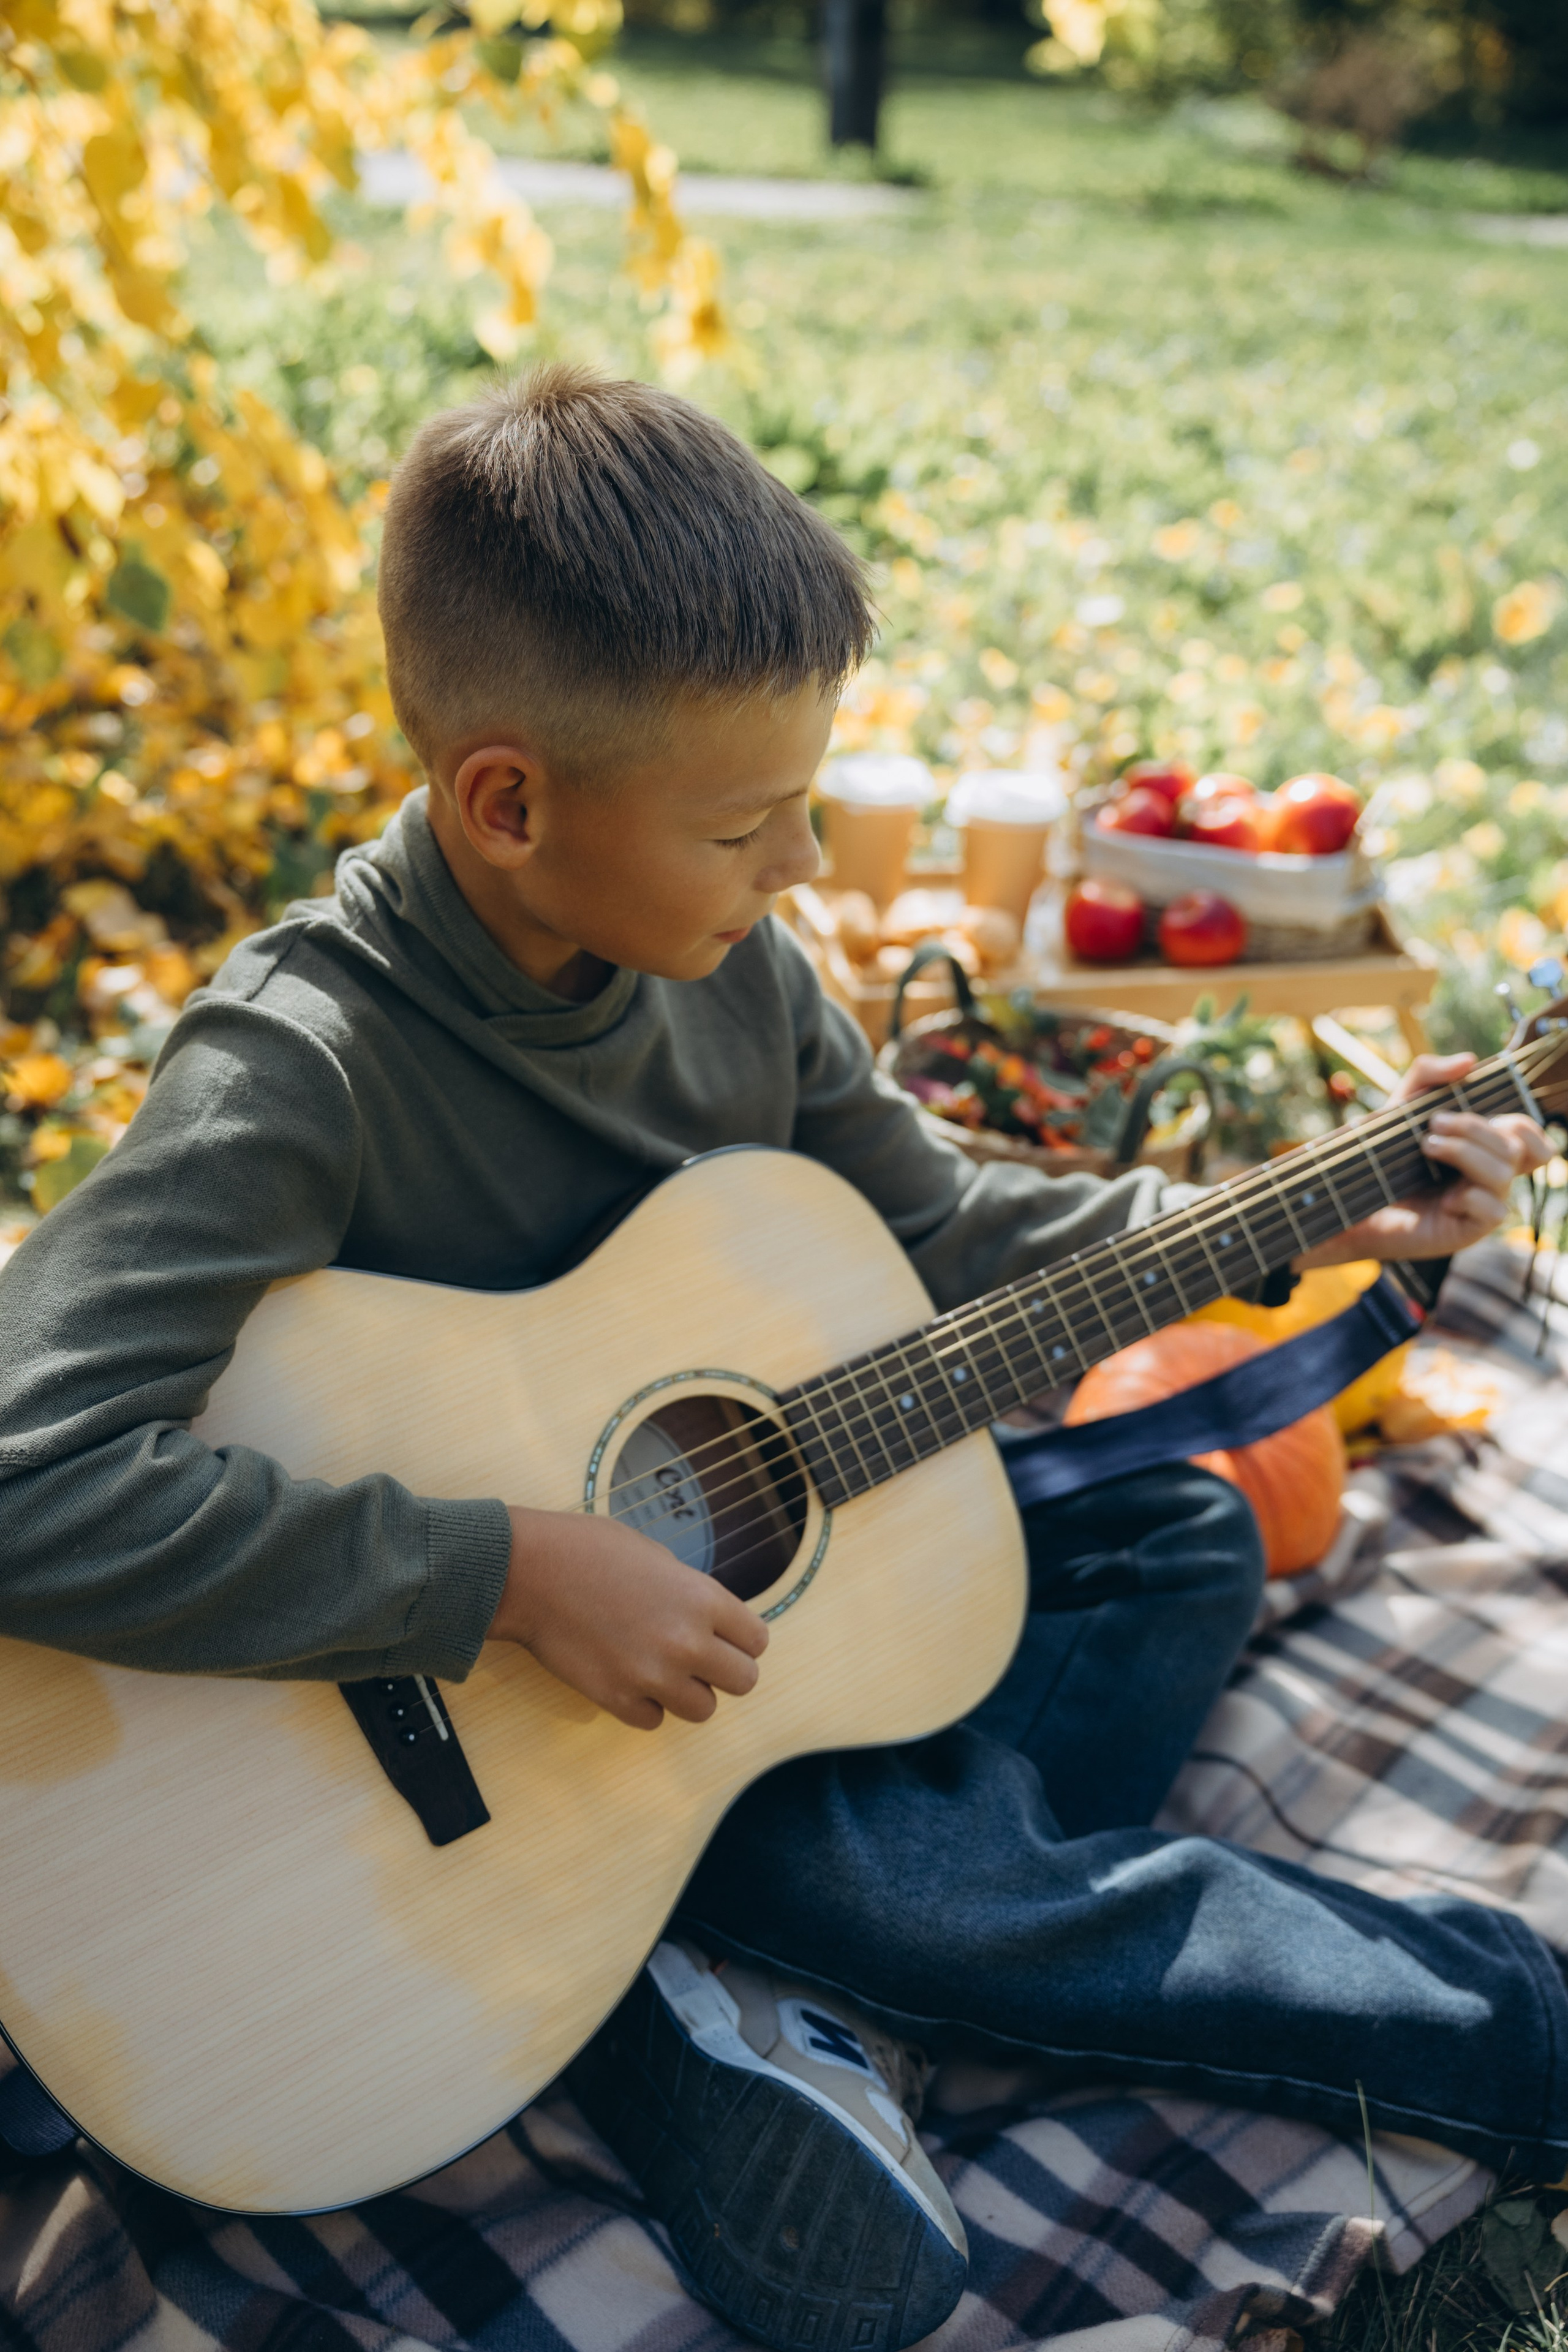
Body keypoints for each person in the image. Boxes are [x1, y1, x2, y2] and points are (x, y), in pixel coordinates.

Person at [0, 366, 1558, 2352]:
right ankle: (1506, 2029)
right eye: (750, 824)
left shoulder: (732, 967)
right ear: (506, 802)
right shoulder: (298, 1066)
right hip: (428, 1752)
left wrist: (1308, 1211)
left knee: (1170, 1540)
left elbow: (949, 1233)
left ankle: (716, 1977)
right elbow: (23, 1475)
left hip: (673, 1709)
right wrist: (511, 1575)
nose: (807, 864)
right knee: (934, 1892)